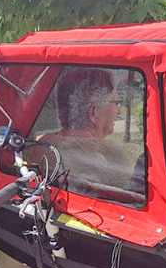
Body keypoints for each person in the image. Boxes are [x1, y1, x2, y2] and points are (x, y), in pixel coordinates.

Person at [30, 67, 143, 196]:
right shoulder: (109, 155)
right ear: (93, 112)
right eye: (116, 103)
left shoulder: (44, 145)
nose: (118, 111)